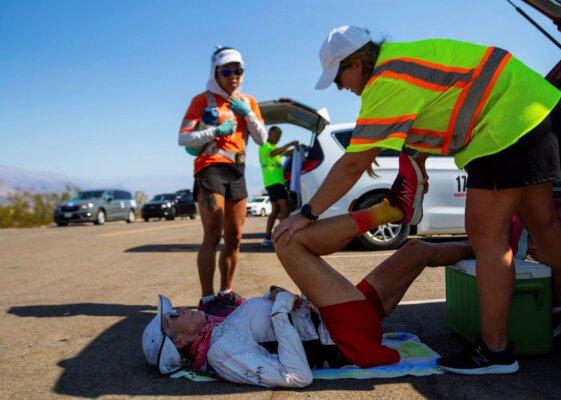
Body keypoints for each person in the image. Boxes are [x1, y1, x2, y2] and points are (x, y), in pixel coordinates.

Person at [273, 25, 561, 375]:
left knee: (488, 240)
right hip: (532, 105)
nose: (342, 87)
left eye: (338, 78)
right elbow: (440, 101)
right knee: (544, 222)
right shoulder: (405, 58)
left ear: (356, 64)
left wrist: (307, 212)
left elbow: (353, 164)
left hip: (499, 128)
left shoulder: (385, 83)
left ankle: (496, 352)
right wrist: (416, 159)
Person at [142, 201, 474, 387]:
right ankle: (386, 212)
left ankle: (488, 249)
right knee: (287, 240)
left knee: (414, 251)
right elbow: (295, 376)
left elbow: (265, 331)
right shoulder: (221, 354)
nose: (180, 309)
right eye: (173, 318)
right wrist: (279, 310)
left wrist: (275, 302)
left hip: (338, 319)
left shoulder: (216, 332)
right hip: (344, 333)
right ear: (181, 343)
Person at [178, 46, 267, 313]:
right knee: (213, 233)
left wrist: (247, 114)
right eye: (227, 71)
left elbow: (262, 138)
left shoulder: (248, 101)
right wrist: (215, 130)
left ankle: (226, 292)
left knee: (235, 236)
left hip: (237, 170)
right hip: (210, 167)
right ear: (215, 72)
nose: (233, 76)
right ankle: (207, 299)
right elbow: (183, 138)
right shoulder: (201, 100)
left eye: (238, 70)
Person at [258, 126, 298, 247]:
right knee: (285, 208)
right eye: (277, 136)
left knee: (275, 211)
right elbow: (274, 153)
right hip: (274, 182)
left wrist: (297, 150)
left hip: (274, 183)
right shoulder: (265, 147)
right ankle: (281, 237)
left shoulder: (275, 147)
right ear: (270, 134)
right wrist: (290, 143)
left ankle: (267, 238)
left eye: (280, 137)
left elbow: (285, 153)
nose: (278, 139)